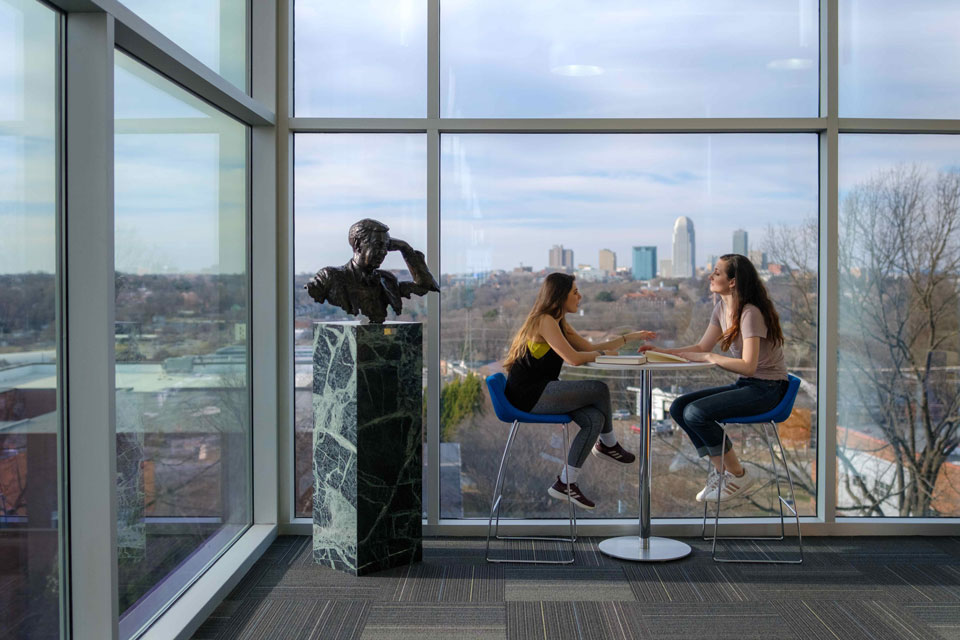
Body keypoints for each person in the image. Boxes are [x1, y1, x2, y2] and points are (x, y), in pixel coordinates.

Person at [640, 254, 788, 504]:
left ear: (732, 282)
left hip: (769, 389)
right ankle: (724, 474)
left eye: (717, 273)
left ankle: (737, 474)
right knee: (678, 408)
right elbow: (701, 347)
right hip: (749, 385)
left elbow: (749, 366)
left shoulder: (750, 313)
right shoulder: (721, 308)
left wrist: (711, 357)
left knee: (696, 413)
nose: (710, 276)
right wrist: (662, 353)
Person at [503, 272, 656, 509]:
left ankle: (566, 483)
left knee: (594, 419)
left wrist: (629, 338)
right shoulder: (544, 320)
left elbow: (591, 347)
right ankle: (608, 444)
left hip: (543, 390)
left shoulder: (558, 322)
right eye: (575, 292)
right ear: (560, 295)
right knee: (598, 389)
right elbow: (574, 359)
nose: (580, 296)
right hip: (529, 395)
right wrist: (603, 355)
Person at [305, 218, 440, 323]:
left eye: (386, 247)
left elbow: (424, 286)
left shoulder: (387, 280)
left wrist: (405, 248)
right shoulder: (330, 277)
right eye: (378, 246)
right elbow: (314, 289)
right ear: (358, 245)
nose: (384, 252)